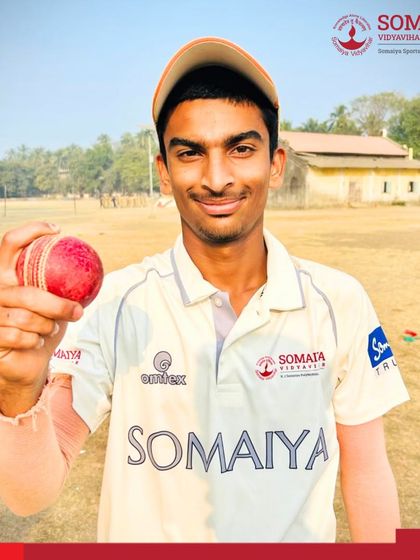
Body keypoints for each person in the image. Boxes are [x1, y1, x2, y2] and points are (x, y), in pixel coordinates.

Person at [0, 37, 409, 543]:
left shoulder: (338, 301)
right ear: (164, 172)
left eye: (241, 149)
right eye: (190, 153)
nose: (217, 178)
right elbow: (28, 494)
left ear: (276, 163)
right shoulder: (114, 304)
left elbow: (367, 471)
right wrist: (18, 391)